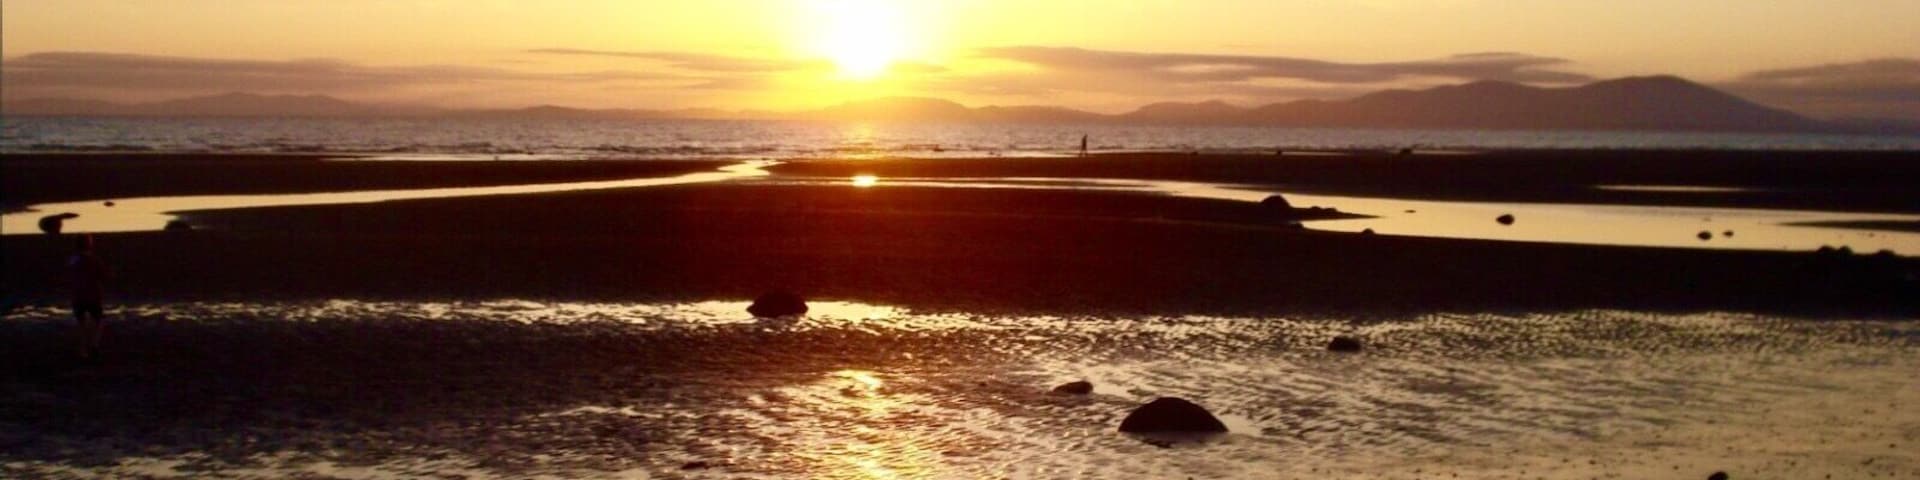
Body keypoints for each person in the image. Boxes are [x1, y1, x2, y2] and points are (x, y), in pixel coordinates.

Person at [67, 234, 110, 360]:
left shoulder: (73, 260)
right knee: (99, 320)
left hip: (77, 295)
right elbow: (103, 275)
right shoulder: (93, 260)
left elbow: (69, 275)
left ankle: (82, 350)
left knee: (81, 323)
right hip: (92, 295)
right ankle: (94, 345)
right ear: (89, 244)